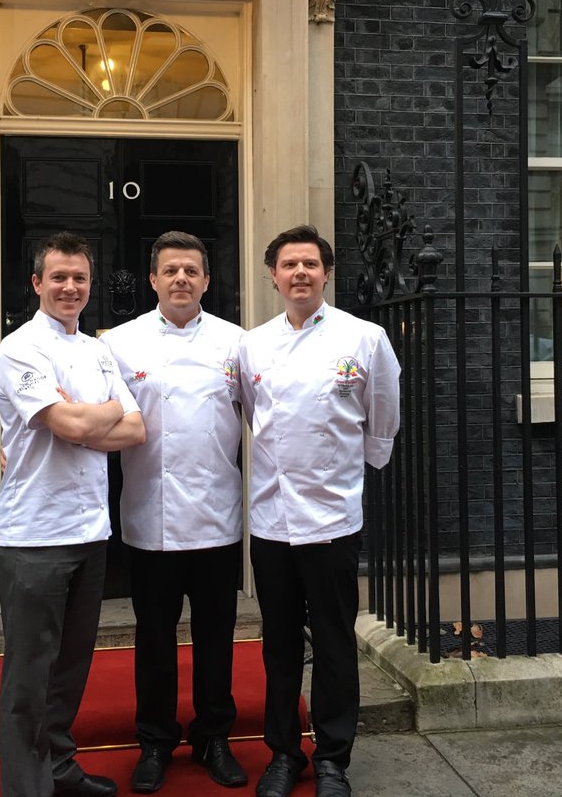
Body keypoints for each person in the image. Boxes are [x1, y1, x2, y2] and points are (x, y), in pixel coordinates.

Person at [236, 225, 401, 797]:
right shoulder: (252, 345)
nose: (300, 273)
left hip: (332, 517)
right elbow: (253, 414)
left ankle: (333, 757)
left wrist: (355, 468)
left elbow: (383, 414)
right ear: (273, 276)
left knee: (333, 643)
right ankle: (284, 754)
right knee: (279, 644)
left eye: (310, 263)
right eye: (289, 265)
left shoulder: (365, 338)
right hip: (271, 520)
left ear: (326, 273)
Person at [0, 232, 147, 797]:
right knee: (30, 677)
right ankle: (26, 789)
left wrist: (84, 417)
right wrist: (98, 413)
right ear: (37, 283)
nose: (70, 287)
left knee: (71, 667)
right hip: (33, 533)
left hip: (90, 529)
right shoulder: (20, 349)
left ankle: (59, 769)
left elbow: (136, 429)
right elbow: (70, 424)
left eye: (79, 277)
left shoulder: (98, 351)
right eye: (58, 277)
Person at [99, 231, 248, 793]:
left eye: (191, 270)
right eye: (170, 270)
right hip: (150, 515)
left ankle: (214, 737)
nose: (181, 279)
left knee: (217, 636)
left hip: (216, 515)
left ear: (206, 280)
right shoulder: (120, 344)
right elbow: (94, 415)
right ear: (153, 280)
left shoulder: (238, 343)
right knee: (154, 638)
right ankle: (155, 741)